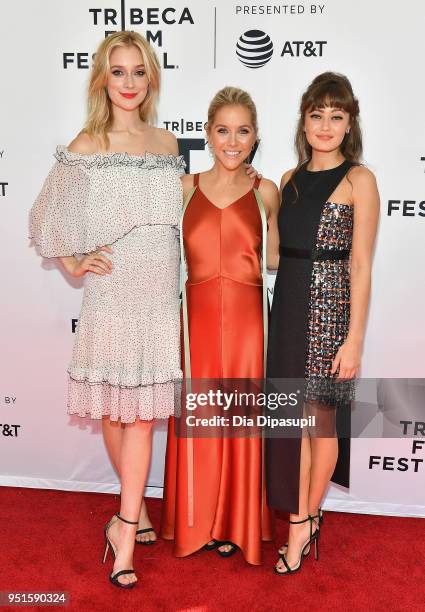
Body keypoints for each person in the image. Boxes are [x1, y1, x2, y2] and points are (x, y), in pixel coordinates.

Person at [29, 31, 185, 588]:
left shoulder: (168, 145)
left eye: (138, 72)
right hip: (114, 291)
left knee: (141, 412)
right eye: (117, 72)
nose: (128, 82)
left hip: (160, 291)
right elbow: (44, 216)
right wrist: (73, 260)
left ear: (151, 79)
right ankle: (131, 517)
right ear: (102, 79)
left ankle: (125, 519)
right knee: (119, 412)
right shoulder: (89, 143)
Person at [160, 86, 280, 565]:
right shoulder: (183, 189)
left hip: (252, 323)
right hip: (196, 321)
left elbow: (281, 257)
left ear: (255, 137)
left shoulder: (265, 190)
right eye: (223, 130)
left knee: (243, 420)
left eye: (243, 131)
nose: (233, 141)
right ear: (207, 134)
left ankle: (237, 522)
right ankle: (195, 523)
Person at [266, 72, 379, 575]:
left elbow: (360, 266)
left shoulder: (360, 180)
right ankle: (298, 517)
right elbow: (273, 258)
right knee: (294, 424)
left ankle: (306, 519)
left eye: (337, 115)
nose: (326, 125)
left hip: (331, 312)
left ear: (349, 122)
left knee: (321, 422)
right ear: (304, 121)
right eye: (317, 115)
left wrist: (354, 340)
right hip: (288, 306)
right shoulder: (288, 181)